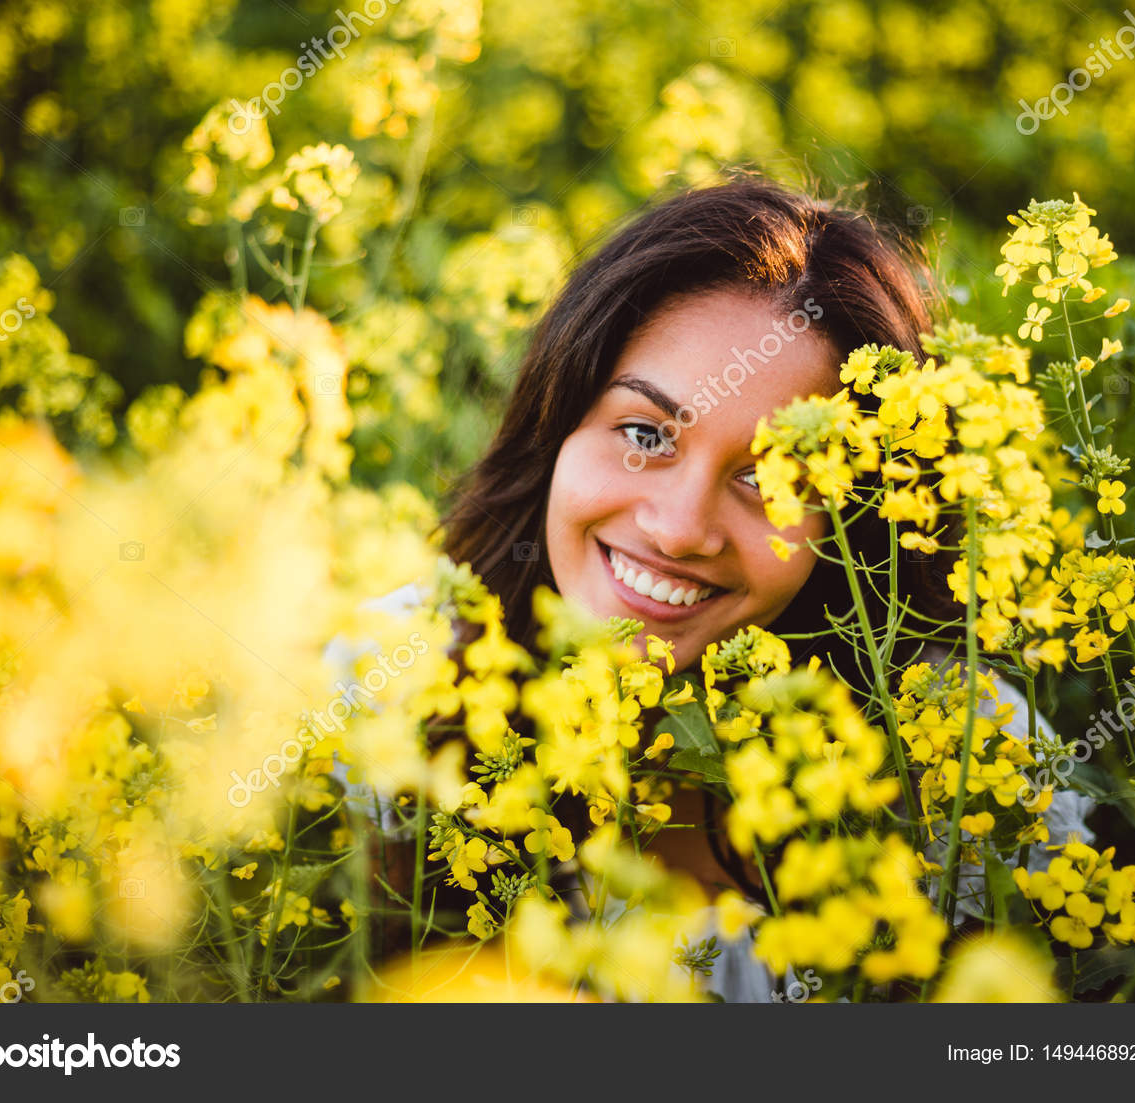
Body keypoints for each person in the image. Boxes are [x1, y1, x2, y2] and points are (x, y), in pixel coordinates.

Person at [328, 174, 1091, 1000]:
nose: (681, 528)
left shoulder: (971, 759)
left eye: (769, 478)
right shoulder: (378, 687)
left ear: (855, 518)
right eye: (645, 433)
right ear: (555, 427)